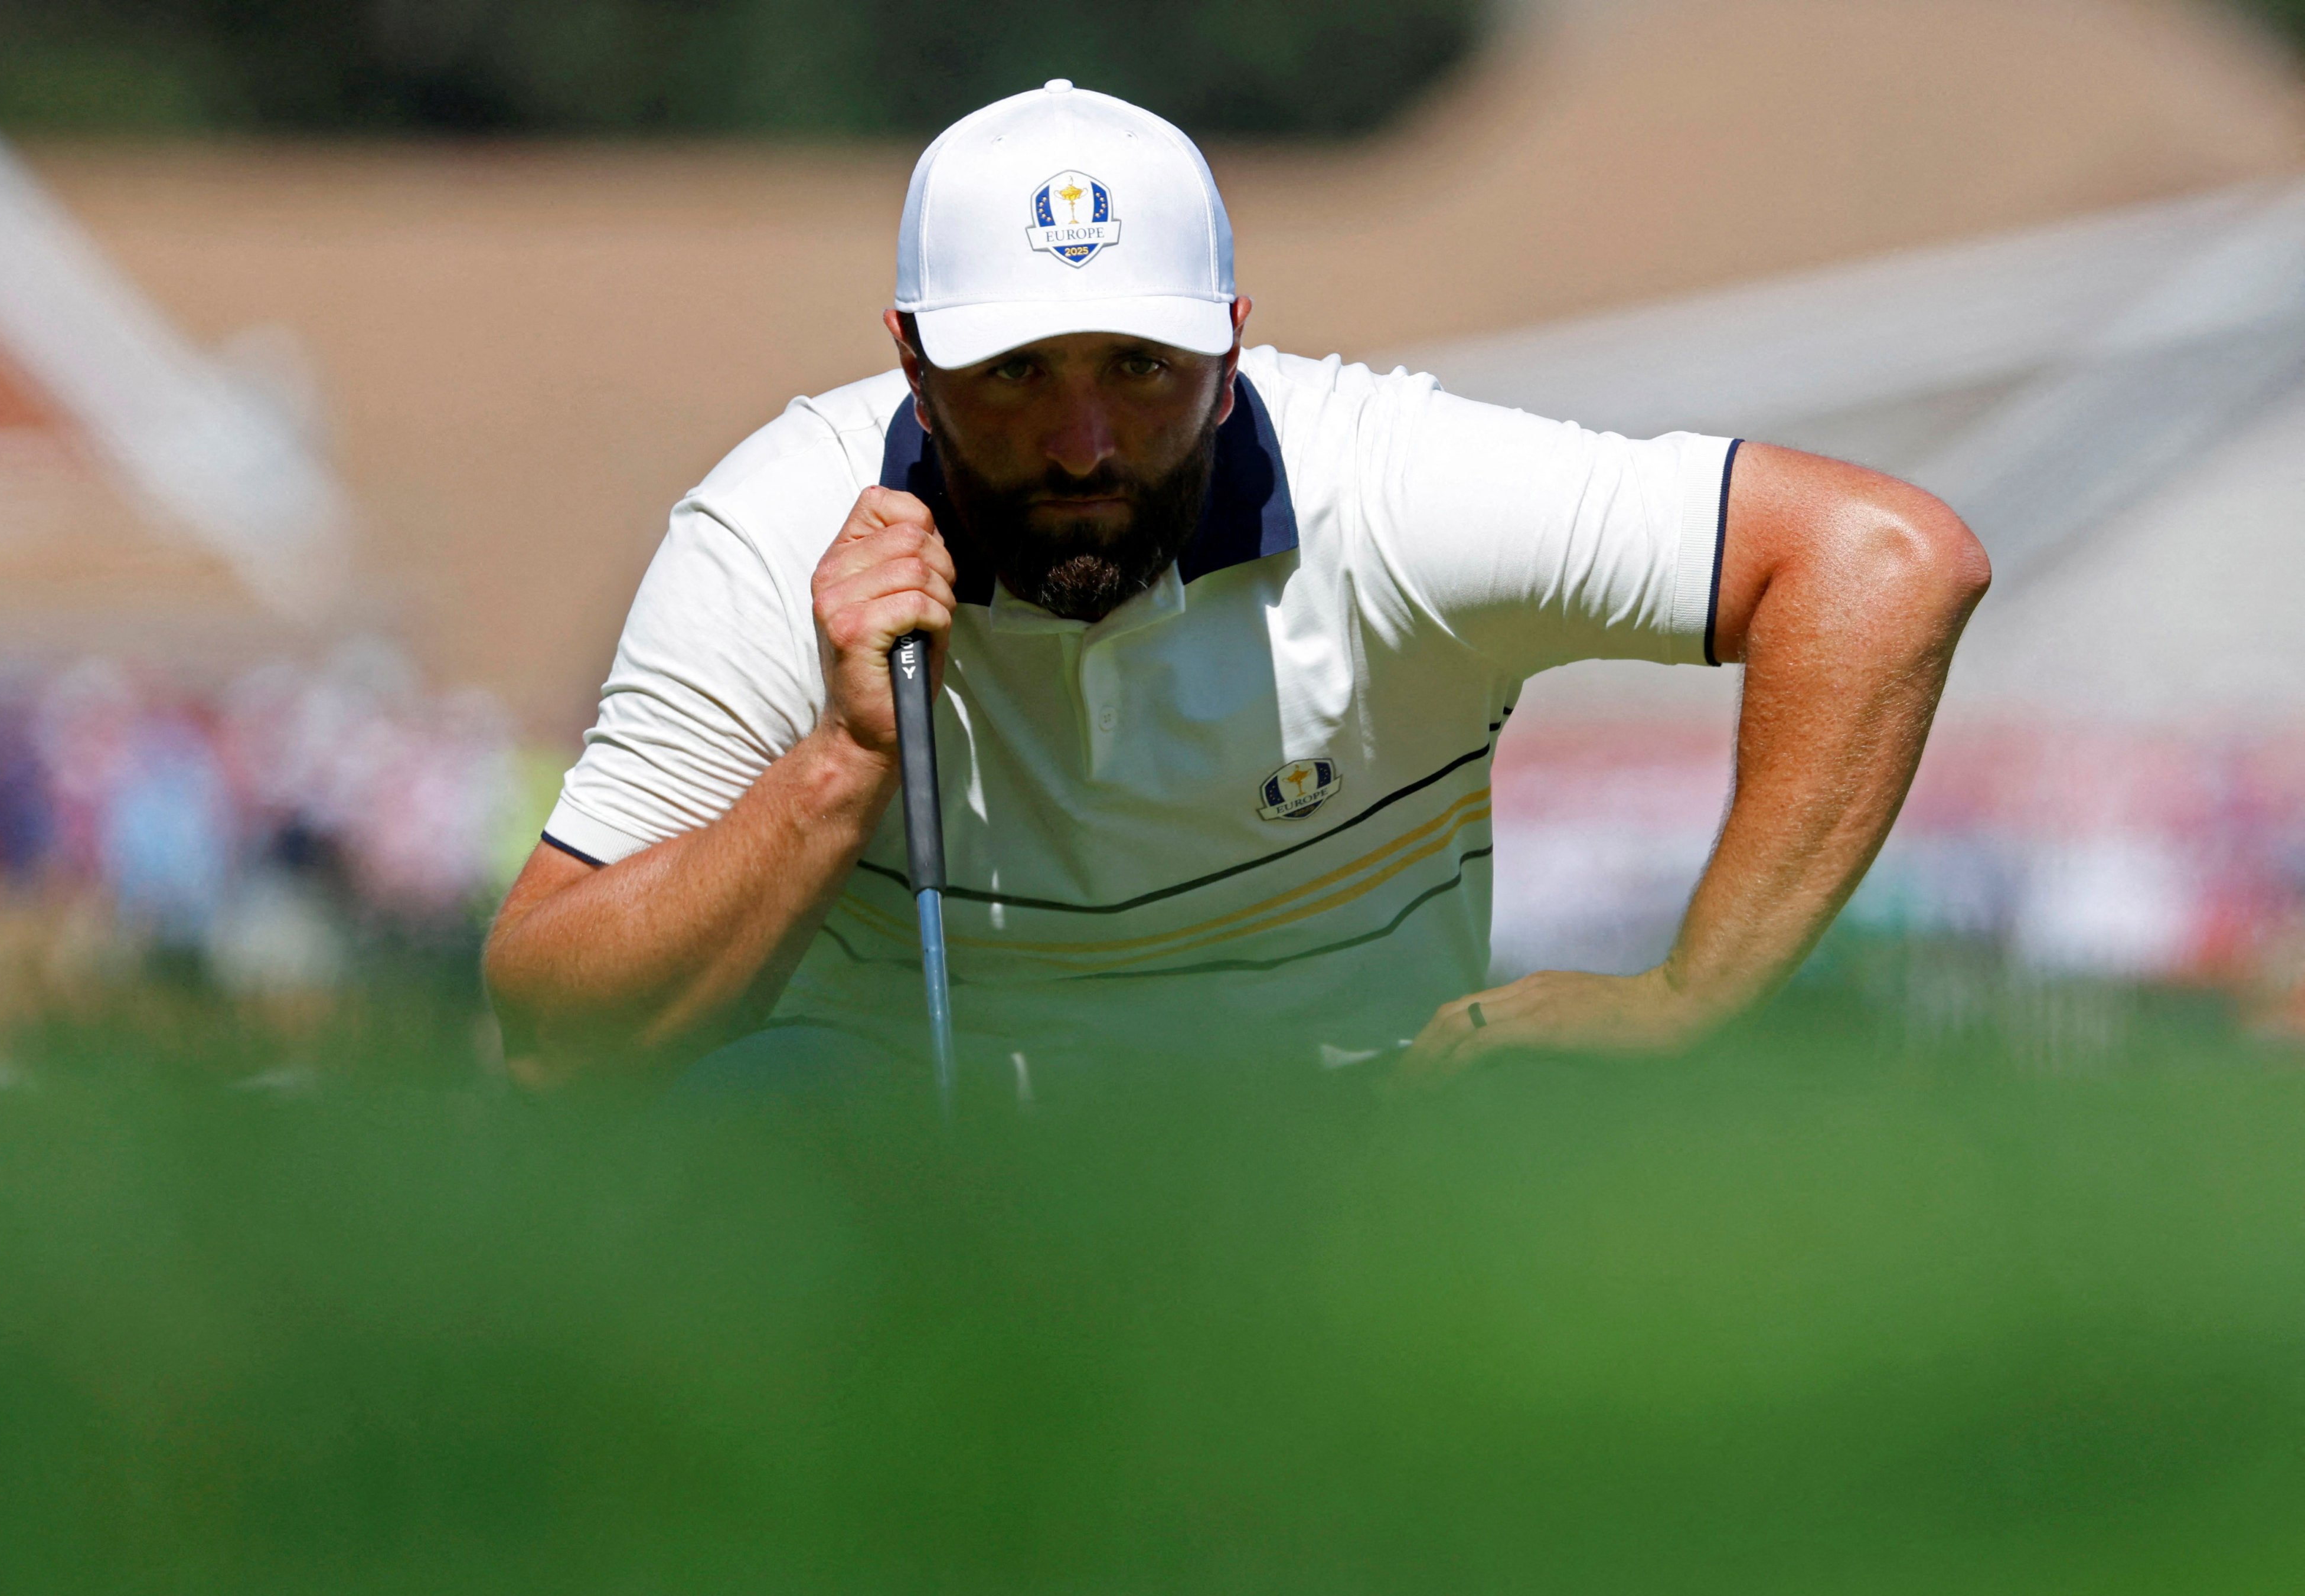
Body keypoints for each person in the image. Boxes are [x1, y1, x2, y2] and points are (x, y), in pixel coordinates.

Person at [484, 81, 1988, 1091]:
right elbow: (552, 1029)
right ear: (911, 361)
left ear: (1229, 347)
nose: (1081, 442)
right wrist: (837, 769)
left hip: (1337, 1210)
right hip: (897, 1214)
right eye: (1014, 374)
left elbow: (1883, 561)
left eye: (1138, 369)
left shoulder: (1391, 487)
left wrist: (1681, 1009)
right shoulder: (774, 533)